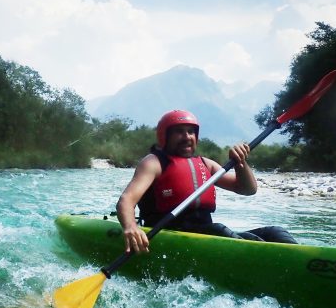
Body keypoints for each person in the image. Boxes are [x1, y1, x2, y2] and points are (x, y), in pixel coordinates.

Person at [116, 109, 297, 254]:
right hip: (167, 234)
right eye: (179, 132)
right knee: (219, 230)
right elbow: (126, 200)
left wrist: (240, 163)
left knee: (274, 232)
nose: (187, 137)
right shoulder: (153, 163)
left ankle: (303, 259)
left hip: (205, 235)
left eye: (191, 132)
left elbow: (247, 189)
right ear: (165, 136)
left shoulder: (206, 164)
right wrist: (130, 227)